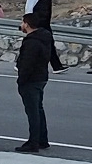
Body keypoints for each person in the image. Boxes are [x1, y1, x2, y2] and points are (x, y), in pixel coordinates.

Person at [15, 16, 60, 153]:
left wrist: (21, 80)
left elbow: (27, 63)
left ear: (27, 24)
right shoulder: (44, 38)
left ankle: (33, 142)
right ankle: (42, 139)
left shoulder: (31, 42)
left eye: (23, 22)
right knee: (38, 109)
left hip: (31, 80)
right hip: (41, 77)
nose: (21, 25)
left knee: (32, 111)